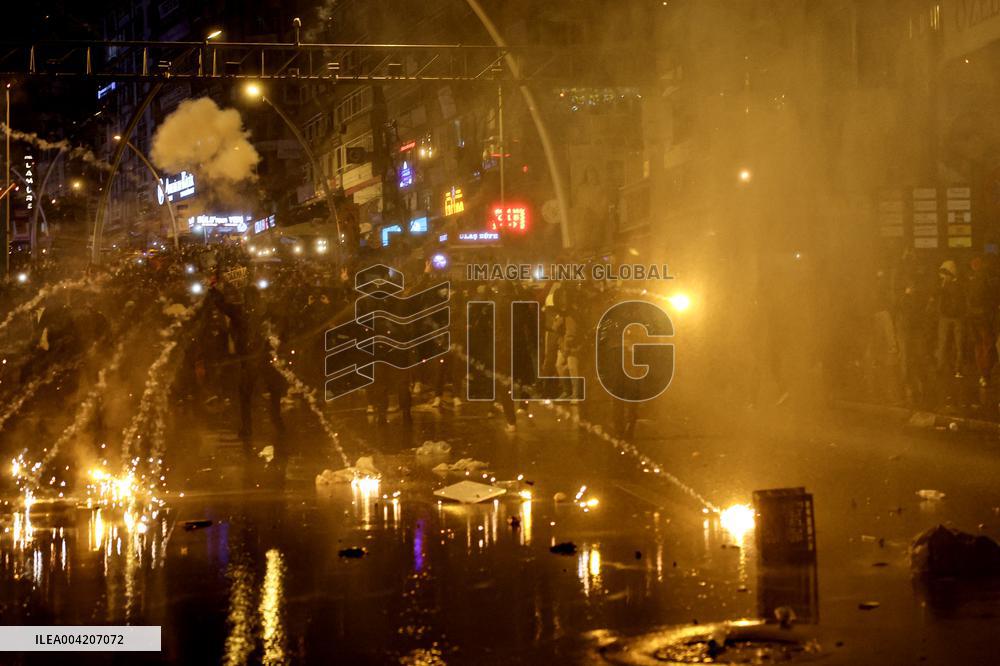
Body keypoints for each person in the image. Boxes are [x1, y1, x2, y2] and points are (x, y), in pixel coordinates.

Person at [935, 260, 965, 378]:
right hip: (956, 317)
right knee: (958, 344)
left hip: (947, 317)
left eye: (945, 272)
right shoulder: (958, 284)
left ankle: (941, 367)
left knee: (944, 342)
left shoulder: (947, 285)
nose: (942, 275)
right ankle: (956, 369)